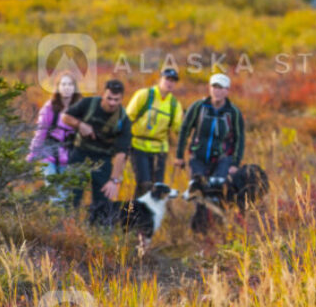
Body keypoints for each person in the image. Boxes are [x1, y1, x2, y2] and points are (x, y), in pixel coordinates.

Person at [59, 79, 132, 224]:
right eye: (109, 98)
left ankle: (98, 234)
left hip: (103, 160)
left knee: (102, 201)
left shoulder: (123, 120)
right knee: (72, 195)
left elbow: (121, 153)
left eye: (116, 100)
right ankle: (65, 228)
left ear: (121, 99)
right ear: (103, 95)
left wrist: (114, 180)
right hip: (80, 154)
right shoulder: (89, 104)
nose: (112, 103)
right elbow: (65, 116)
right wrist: (80, 125)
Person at [175, 73, 245, 183]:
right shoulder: (198, 107)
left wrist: (235, 164)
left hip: (222, 159)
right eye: (214, 87)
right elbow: (185, 130)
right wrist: (179, 156)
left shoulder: (233, 112)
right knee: (197, 193)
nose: (217, 91)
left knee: (216, 194)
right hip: (198, 158)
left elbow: (239, 139)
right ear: (209, 88)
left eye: (221, 88)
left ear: (227, 90)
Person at [26, 72, 82, 204]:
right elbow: (40, 132)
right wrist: (32, 154)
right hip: (49, 155)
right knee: (55, 195)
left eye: (70, 84)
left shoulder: (80, 108)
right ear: (58, 87)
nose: (67, 87)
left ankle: (62, 221)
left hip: (69, 157)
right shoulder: (50, 108)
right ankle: (55, 220)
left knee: (65, 195)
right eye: (63, 84)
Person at [126, 68, 183, 197]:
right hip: (138, 146)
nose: (170, 83)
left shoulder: (174, 104)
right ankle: (134, 214)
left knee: (157, 185)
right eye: (167, 79)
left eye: (173, 81)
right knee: (144, 183)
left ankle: (151, 216)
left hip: (159, 150)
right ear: (160, 79)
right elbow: (128, 117)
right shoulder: (144, 95)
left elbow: (178, 128)